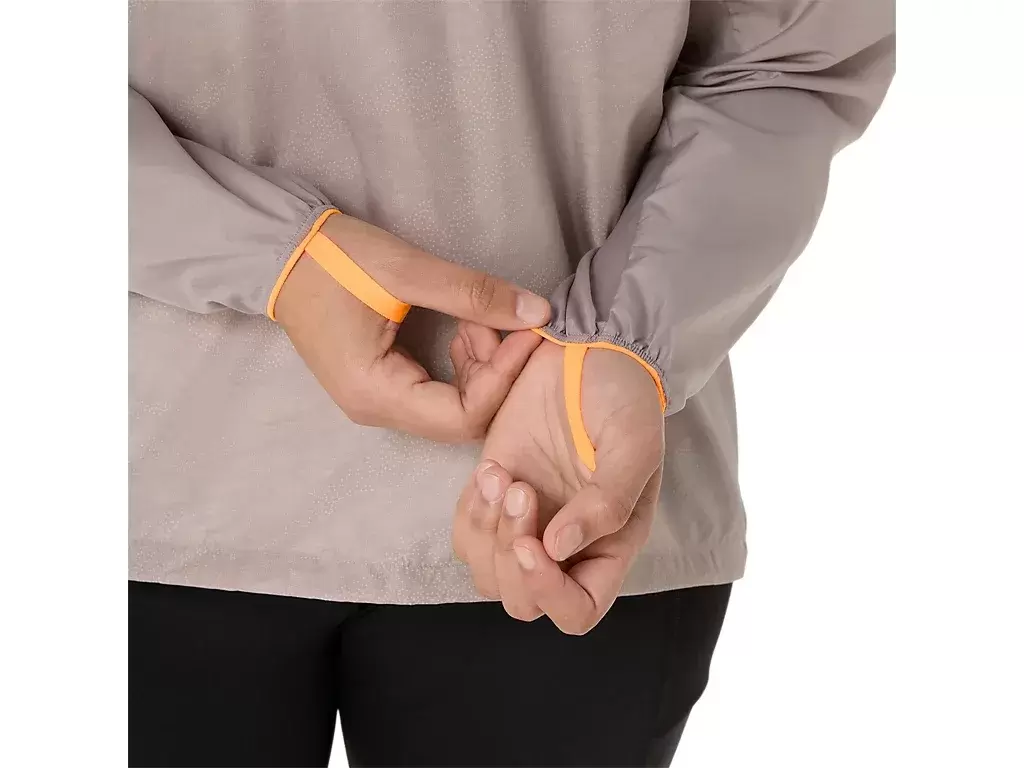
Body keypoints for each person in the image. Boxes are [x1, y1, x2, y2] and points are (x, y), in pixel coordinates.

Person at [128, 1, 894, 766]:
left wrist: (628, 330)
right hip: (159, 497)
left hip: (576, 489)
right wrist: (269, 258)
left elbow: (789, 55)